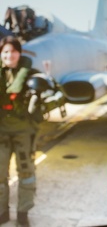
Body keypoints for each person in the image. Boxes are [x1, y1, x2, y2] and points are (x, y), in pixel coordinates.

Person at [0, 35, 39, 227]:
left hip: (24, 132)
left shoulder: (30, 74)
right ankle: (2, 212)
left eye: (13, 51)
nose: (9, 55)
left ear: (19, 54)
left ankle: (23, 213)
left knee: (26, 173)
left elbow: (46, 87)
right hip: (1, 134)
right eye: (6, 51)